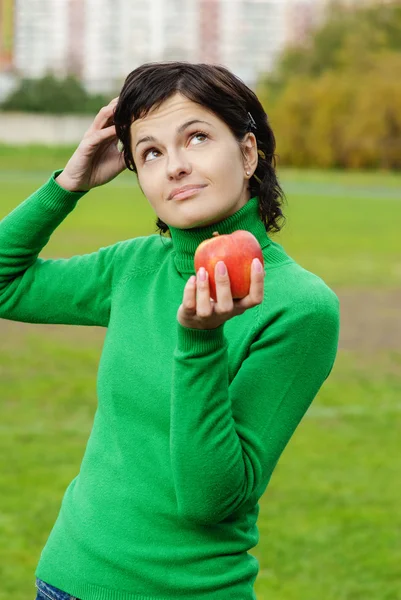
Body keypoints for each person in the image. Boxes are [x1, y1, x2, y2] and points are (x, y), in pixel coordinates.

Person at [0, 61, 340, 600]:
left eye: (197, 137)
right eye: (151, 152)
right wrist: (69, 185)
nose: (175, 167)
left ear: (248, 152)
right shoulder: (135, 266)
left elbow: (210, 500)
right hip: (65, 578)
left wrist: (201, 340)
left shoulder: (301, 307)